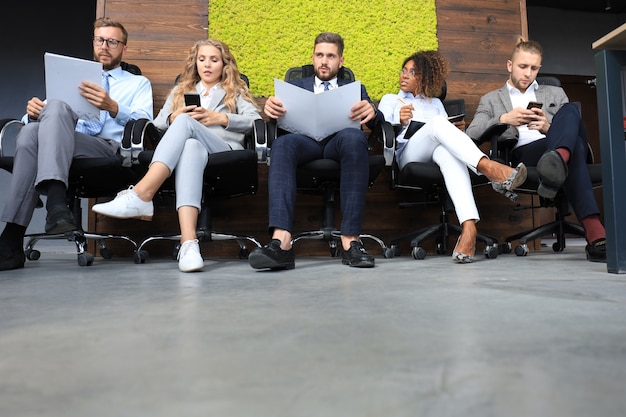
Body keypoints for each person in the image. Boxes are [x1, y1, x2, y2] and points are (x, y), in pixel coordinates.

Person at [92, 39, 261, 272]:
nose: (207, 65)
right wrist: (173, 117)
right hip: (193, 151)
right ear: (195, 62)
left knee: (185, 124)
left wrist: (221, 118)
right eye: (202, 59)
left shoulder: (236, 90)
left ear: (224, 64)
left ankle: (142, 193)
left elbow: (256, 122)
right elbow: (157, 125)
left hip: (224, 151)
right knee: (190, 144)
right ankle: (189, 244)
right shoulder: (182, 90)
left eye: (214, 60)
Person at [0, 17, 153, 271]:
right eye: (99, 40)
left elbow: (146, 122)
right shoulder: (72, 76)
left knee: (36, 131)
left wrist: (113, 106)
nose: (104, 46)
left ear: (124, 48)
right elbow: (48, 119)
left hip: (103, 147)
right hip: (58, 143)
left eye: (112, 41)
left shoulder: (137, 83)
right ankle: (44, 217)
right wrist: (33, 113)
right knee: (30, 131)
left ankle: (16, 234)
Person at [247, 32, 384, 270]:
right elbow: (274, 123)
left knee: (354, 137)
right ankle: (281, 243)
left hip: (338, 144)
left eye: (330, 56)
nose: (324, 61)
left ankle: (350, 241)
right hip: (304, 143)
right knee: (282, 144)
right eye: (319, 55)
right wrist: (268, 111)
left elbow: (376, 122)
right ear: (313, 57)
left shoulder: (353, 88)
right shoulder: (294, 86)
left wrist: (372, 110)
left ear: (340, 61)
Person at [378, 50, 527, 263]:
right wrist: (399, 122)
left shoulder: (436, 104)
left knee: (447, 152)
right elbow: (385, 136)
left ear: (425, 77)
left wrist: (458, 130)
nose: (405, 75)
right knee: (438, 124)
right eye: (404, 71)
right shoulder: (391, 100)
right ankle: (489, 168)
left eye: (412, 72)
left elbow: (447, 139)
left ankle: (469, 229)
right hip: (410, 154)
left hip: (438, 154)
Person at [466, 39, 606, 262]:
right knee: (576, 148)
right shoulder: (492, 99)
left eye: (534, 68)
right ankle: (594, 229)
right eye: (523, 66)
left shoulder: (555, 93)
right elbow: (472, 133)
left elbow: (571, 127)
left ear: (539, 68)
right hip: (525, 154)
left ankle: (558, 158)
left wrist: (548, 128)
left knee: (570, 111)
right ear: (510, 65)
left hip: (551, 143)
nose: (528, 73)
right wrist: (504, 118)